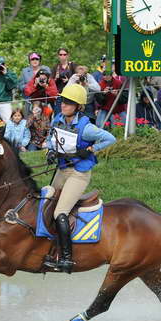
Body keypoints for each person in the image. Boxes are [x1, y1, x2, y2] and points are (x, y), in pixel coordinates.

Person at [45, 84, 116, 273]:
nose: (63, 105)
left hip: (79, 174)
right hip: (62, 170)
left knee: (59, 213)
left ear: (78, 107)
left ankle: (67, 259)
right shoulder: (57, 120)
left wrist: (91, 150)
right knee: (46, 203)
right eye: (63, 101)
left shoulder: (87, 128)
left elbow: (110, 138)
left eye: (69, 103)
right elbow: (50, 139)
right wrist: (50, 151)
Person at [51, 48, 77, 114]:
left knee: (71, 114)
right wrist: (56, 78)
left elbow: (78, 79)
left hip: (71, 95)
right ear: (58, 56)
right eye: (61, 54)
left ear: (68, 55)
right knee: (58, 114)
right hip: (60, 94)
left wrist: (69, 80)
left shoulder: (72, 65)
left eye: (64, 54)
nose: (63, 56)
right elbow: (51, 82)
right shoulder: (56, 67)